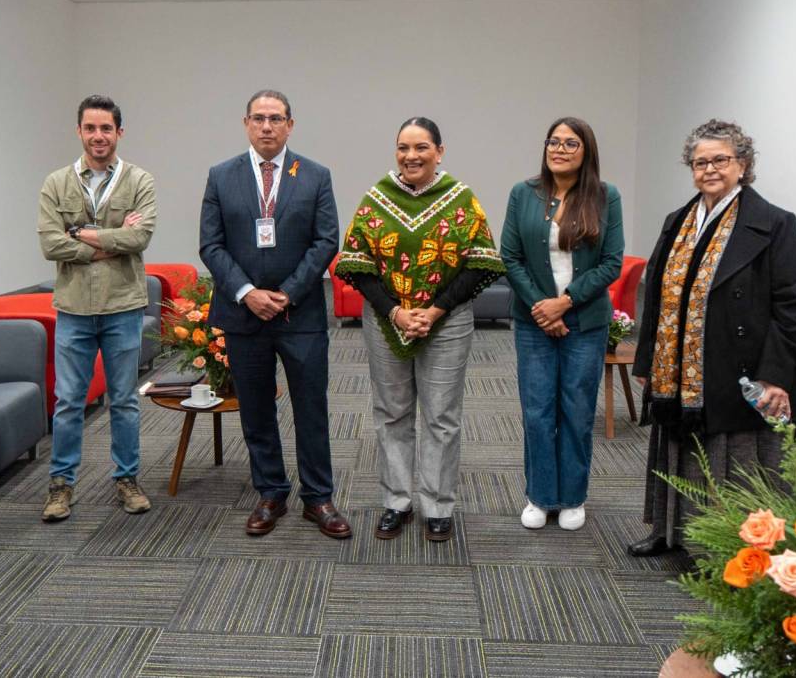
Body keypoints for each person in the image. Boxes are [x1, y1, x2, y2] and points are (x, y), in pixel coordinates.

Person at [628, 119, 796, 557]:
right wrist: (647, 364)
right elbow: (655, 296)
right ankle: (673, 533)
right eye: (699, 162)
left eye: (720, 160)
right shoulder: (679, 220)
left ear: (743, 164)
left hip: (741, 368)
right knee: (679, 448)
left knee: (732, 458)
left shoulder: (774, 224)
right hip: (678, 369)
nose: (709, 169)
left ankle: (732, 551)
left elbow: (793, 309)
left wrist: (774, 376)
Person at [335, 117, 504, 542]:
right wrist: (394, 311)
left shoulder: (462, 200)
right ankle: (397, 500)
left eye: (421, 147)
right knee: (392, 413)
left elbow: (479, 263)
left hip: (446, 322)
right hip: (386, 321)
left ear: (439, 152)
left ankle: (438, 504)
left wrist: (435, 309)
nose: (411, 156)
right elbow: (357, 265)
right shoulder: (376, 199)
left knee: (442, 417)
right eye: (403, 147)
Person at [199, 89, 349, 539]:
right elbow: (211, 244)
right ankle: (271, 492)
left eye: (276, 118)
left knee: (311, 407)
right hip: (243, 315)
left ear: (290, 125)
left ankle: (318, 498)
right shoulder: (221, 176)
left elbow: (326, 241)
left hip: (298, 315)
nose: (267, 126)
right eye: (259, 118)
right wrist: (247, 293)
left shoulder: (316, 175)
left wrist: (285, 293)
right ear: (246, 122)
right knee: (257, 410)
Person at [37, 95, 157, 522]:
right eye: (91, 128)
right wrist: (107, 241)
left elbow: (138, 240)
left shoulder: (139, 180)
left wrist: (80, 234)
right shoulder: (56, 183)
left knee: (123, 399)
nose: (98, 136)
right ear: (79, 132)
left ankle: (127, 479)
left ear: (119, 132)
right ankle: (61, 485)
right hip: (73, 309)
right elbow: (51, 243)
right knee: (69, 401)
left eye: (106, 128)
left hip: (123, 305)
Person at [500, 117, 624, 532]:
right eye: (554, 141)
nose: (560, 149)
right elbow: (510, 257)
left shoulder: (606, 197)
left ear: (586, 150)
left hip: (585, 322)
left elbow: (612, 262)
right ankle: (540, 496)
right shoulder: (524, 193)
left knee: (576, 408)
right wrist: (542, 307)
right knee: (537, 410)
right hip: (535, 322)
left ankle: (572, 497)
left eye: (571, 144)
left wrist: (565, 304)